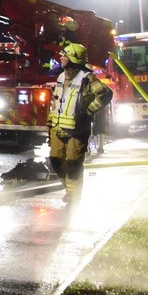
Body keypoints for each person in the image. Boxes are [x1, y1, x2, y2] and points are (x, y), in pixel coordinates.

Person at [47, 42, 113, 203]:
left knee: (73, 165)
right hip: (58, 128)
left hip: (77, 131)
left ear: (73, 58)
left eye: (64, 55)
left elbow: (106, 94)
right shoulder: (61, 76)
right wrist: (50, 124)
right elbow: (57, 102)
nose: (61, 58)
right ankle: (70, 191)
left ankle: (74, 198)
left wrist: (88, 111)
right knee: (55, 160)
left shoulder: (87, 78)